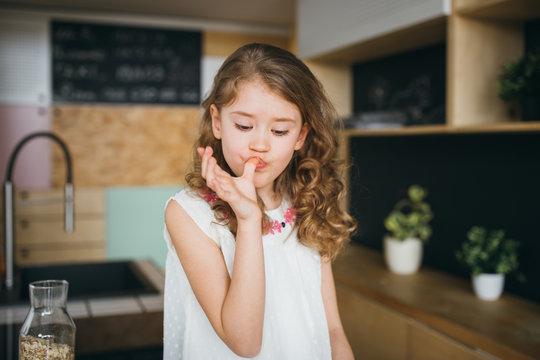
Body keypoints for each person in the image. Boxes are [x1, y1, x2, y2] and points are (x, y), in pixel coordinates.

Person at [163, 43, 356, 359]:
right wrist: (250, 219)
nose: (260, 144)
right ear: (217, 122)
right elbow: (245, 342)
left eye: (279, 130)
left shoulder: (305, 205)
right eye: (243, 125)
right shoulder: (188, 214)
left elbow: (332, 328)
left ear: (300, 137)